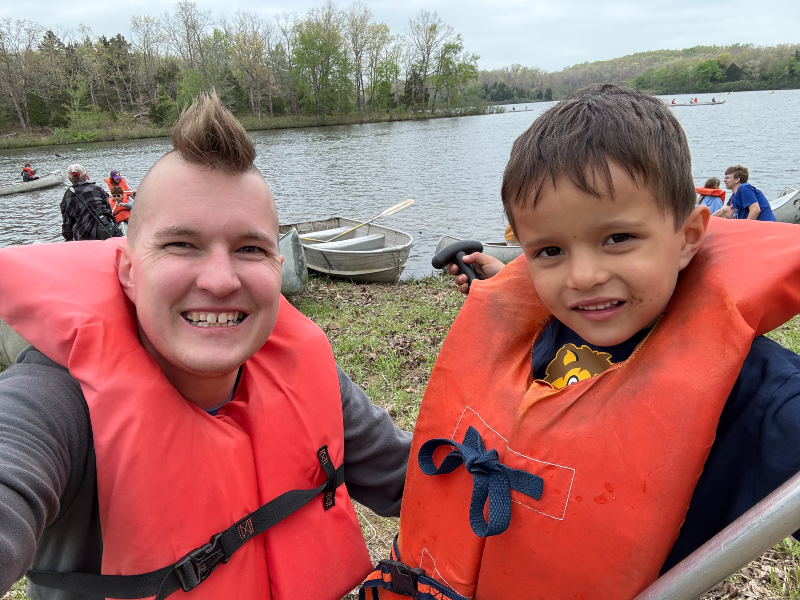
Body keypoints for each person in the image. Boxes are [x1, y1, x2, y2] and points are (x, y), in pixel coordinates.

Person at [363, 85, 800, 600]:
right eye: (550, 250)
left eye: (618, 239)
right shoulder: (544, 329)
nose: (585, 277)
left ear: (686, 237)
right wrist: (503, 290)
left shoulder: (763, 399)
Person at [0, 92, 411, 599]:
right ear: (128, 270)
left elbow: (417, 481)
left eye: (250, 249)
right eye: (181, 244)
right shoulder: (53, 403)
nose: (220, 280)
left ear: (276, 270)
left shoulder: (307, 371)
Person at [59, 164, 121, 241]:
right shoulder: (97, 189)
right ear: (85, 175)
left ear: (70, 178)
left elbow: (67, 221)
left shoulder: (69, 194)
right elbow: (109, 211)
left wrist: (68, 238)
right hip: (107, 229)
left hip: (85, 234)